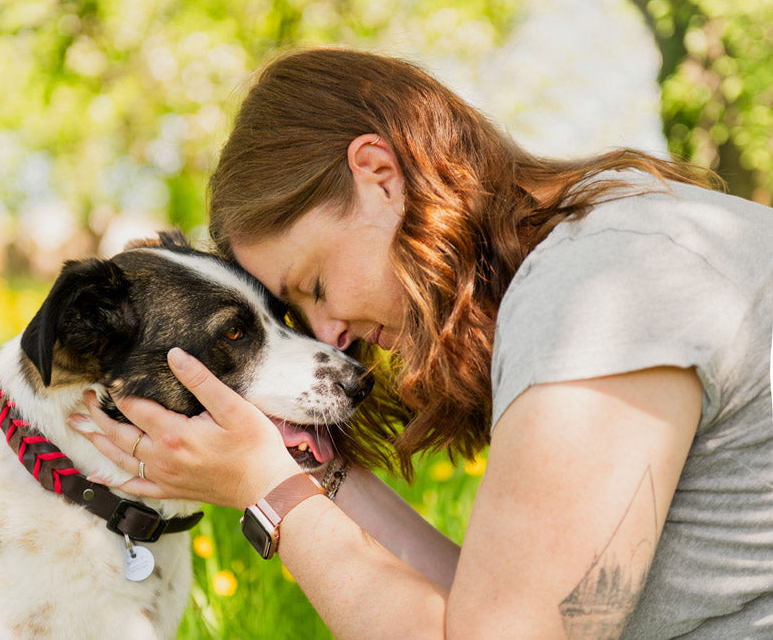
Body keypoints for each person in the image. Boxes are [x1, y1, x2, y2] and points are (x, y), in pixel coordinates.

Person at [74, 48, 773, 637]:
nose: (330, 336)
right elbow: (493, 609)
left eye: (312, 285)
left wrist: (271, 494)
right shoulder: (610, 236)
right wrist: (307, 470)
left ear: (379, 176)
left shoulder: (607, 286)